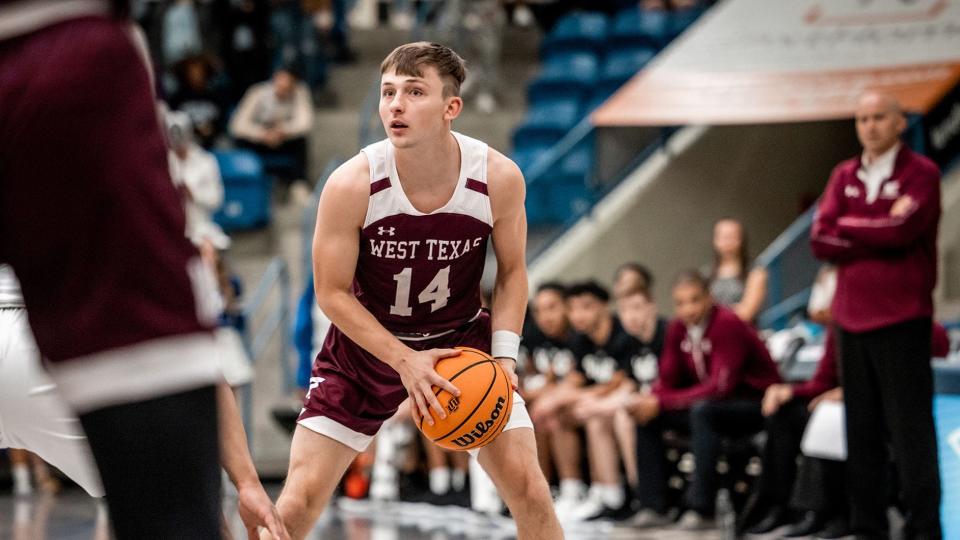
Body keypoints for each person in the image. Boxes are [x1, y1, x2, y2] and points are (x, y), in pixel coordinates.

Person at [0, 5, 285, 536]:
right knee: (184, 516)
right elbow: (194, 355)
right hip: (62, 41)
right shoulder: (86, 67)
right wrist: (247, 480)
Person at [269, 42, 562, 539]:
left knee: (531, 491)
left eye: (414, 91)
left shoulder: (498, 178)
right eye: (387, 92)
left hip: (461, 346)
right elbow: (332, 293)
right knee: (297, 503)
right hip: (366, 352)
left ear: (452, 108)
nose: (395, 105)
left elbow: (513, 273)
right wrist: (404, 360)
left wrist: (506, 359)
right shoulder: (352, 183)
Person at [810, 90, 943, 540]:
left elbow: (904, 230)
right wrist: (876, 225)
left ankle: (924, 530)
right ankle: (867, 529)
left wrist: (849, 226)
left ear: (900, 122)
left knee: (911, 436)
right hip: (850, 321)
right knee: (861, 434)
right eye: (862, 118)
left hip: (902, 320)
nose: (869, 126)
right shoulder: (843, 174)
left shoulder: (921, 174)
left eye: (878, 117)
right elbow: (819, 239)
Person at [627, 271, 781, 529]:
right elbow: (667, 379)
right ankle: (653, 505)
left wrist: (662, 401)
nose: (688, 309)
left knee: (702, 412)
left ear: (709, 298)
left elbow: (721, 387)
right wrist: (652, 401)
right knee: (647, 414)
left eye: (694, 300)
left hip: (755, 404)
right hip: (711, 406)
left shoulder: (727, 324)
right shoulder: (677, 328)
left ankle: (702, 508)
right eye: (681, 302)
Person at [230, 64, 314, 186]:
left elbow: (306, 123)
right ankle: (244, 180)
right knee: (240, 140)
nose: (282, 87)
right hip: (259, 140)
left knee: (301, 141)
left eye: (288, 85)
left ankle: (298, 184)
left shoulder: (300, 92)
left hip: (284, 139)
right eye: (280, 81)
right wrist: (262, 134)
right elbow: (237, 124)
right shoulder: (257, 92)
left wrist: (283, 130)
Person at [708, 218, 768, 323]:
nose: (728, 242)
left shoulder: (755, 272)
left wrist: (714, 311)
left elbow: (746, 313)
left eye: (732, 237)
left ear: (741, 240)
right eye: (723, 237)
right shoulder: (705, 275)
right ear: (715, 240)